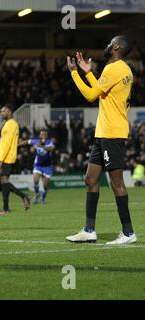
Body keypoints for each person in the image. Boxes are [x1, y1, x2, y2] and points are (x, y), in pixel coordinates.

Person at [66, 35, 136, 244]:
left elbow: (90, 95)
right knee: (90, 179)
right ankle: (89, 230)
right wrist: (88, 73)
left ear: (115, 47)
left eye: (109, 43)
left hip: (111, 133)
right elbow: (102, 92)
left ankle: (128, 232)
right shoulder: (125, 70)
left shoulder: (113, 68)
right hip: (104, 132)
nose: (106, 45)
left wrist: (74, 74)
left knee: (117, 184)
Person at [0, 104, 30, 216]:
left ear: (9, 112)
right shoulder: (11, 124)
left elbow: (6, 144)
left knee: (4, 182)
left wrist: (0, 160)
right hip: (8, 157)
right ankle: (6, 208)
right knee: (5, 182)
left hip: (7, 157)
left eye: (3, 111)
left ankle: (22, 197)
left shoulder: (10, 125)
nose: (2, 113)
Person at [19, 129, 55, 204]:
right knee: (36, 181)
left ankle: (43, 198)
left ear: (46, 135)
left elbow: (51, 148)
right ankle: (37, 194)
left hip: (47, 166)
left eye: (43, 134)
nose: (42, 135)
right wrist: (18, 144)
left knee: (45, 185)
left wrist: (41, 146)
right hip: (38, 165)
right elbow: (27, 141)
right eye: (41, 134)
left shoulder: (49, 142)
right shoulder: (35, 141)